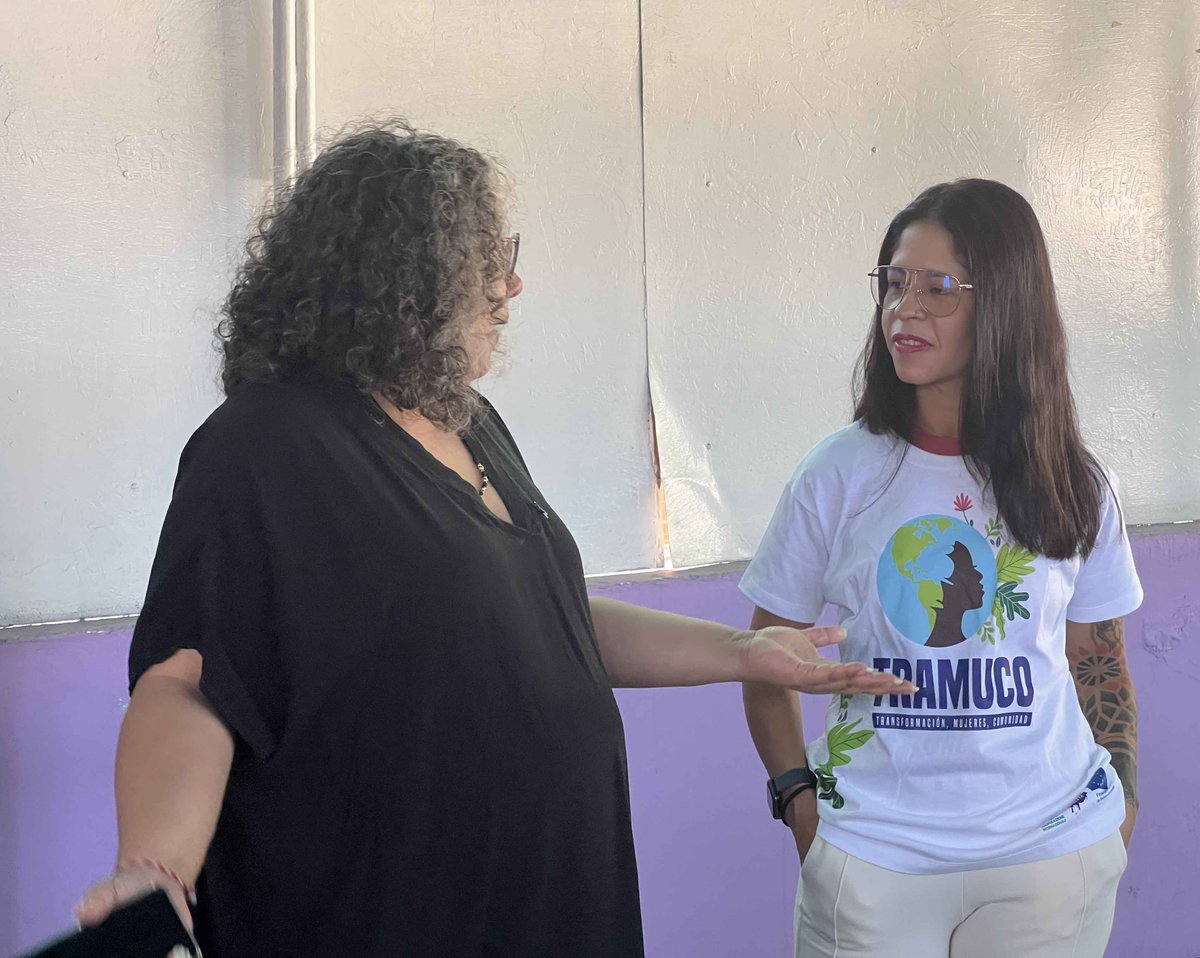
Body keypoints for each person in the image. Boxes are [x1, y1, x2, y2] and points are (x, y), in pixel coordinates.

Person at [73, 121, 908, 957]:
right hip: (382, 913)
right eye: (485, 262)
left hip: (556, 900)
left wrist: (743, 650)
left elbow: (542, 618)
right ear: (402, 277)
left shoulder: (471, 424)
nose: (510, 286)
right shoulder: (266, 445)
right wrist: (156, 867)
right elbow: (193, 679)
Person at [741, 179, 1142, 958]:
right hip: (873, 858)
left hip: (1050, 858)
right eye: (894, 283)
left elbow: (1100, 659)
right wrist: (798, 801)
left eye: (939, 288)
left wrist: (1120, 807)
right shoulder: (839, 474)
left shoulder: (1074, 481)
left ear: (1008, 307)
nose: (904, 309)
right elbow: (762, 664)